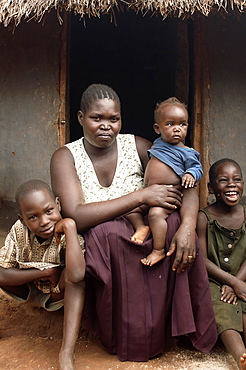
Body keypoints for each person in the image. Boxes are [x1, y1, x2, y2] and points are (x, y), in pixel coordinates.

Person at [50, 83, 217, 362]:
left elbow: (186, 186)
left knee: (173, 225)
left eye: (113, 119)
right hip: (109, 245)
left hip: (150, 233)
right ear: (80, 118)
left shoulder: (138, 146)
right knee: (107, 234)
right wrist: (141, 195)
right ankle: (129, 333)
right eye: (96, 118)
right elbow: (76, 214)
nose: (106, 126)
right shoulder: (66, 157)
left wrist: (188, 225)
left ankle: (170, 330)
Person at [0, 180, 85, 370]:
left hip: (57, 294)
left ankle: (66, 352)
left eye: (48, 211)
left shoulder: (69, 234)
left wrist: (70, 227)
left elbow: (78, 275)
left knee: (74, 281)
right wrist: (46, 271)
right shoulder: (18, 230)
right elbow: (3, 275)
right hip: (26, 291)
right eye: (33, 217)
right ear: (22, 220)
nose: (44, 221)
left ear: (58, 204)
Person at [126, 97, 203, 266]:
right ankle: (141, 227)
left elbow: (197, 168)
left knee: (155, 215)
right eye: (170, 124)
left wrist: (190, 174)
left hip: (169, 194)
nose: (177, 129)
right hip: (151, 194)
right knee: (129, 209)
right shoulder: (159, 143)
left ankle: (158, 250)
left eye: (182, 124)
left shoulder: (187, 152)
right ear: (157, 128)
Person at [196, 158, 246, 370]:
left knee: (242, 309)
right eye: (223, 180)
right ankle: (241, 357)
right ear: (211, 187)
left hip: (242, 278)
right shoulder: (203, 218)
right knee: (223, 310)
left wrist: (237, 283)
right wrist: (231, 282)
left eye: (237, 180)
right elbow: (202, 260)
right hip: (214, 281)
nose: (232, 184)